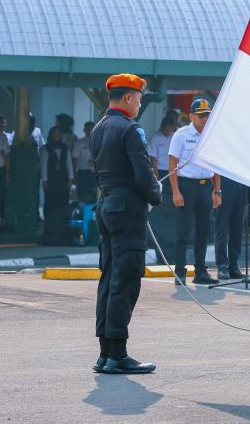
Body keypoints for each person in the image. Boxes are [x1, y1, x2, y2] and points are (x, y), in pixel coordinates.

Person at [90, 73, 162, 375]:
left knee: (108, 278)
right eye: (140, 97)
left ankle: (106, 352)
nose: (141, 102)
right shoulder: (131, 130)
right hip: (127, 209)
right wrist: (155, 193)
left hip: (106, 205)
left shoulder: (99, 128)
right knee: (126, 278)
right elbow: (143, 174)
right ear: (130, 98)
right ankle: (117, 354)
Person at [168, 99, 222, 286]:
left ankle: (200, 271)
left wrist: (217, 191)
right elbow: (172, 165)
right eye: (201, 116)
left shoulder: (212, 136)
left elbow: (215, 166)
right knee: (183, 231)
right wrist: (175, 191)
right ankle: (180, 271)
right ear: (191, 116)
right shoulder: (181, 135)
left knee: (203, 231)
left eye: (207, 115)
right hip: (186, 185)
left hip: (205, 186)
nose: (205, 119)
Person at [213, 176, 248, 281]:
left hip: (241, 182)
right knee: (221, 228)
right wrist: (217, 190)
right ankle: (222, 265)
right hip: (224, 182)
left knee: (237, 228)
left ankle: (233, 265)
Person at [41, 126, 73, 222]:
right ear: (51, 135)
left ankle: (62, 221)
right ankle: (49, 220)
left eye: (58, 134)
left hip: (63, 178)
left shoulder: (65, 147)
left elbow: (69, 163)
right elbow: (44, 165)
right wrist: (44, 180)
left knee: (63, 199)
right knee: (50, 200)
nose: (56, 135)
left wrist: (70, 178)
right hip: (51, 179)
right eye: (54, 134)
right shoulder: (45, 148)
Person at [72, 121, 97, 203]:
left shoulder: (100, 142)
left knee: (96, 195)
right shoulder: (79, 143)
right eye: (88, 128)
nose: (90, 130)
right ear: (84, 130)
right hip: (83, 173)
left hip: (96, 172)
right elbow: (74, 159)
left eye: (92, 128)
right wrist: (75, 175)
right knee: (83, 196)